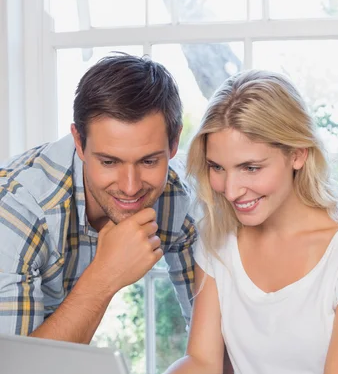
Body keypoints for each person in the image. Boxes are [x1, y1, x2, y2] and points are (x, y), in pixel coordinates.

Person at [138, 69, 338, 374]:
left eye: (251, 168)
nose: (232, 190)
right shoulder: (217, 236)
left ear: (297, 154)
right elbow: (204, 363)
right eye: (218, 168)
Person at [0, 54, 196, 342]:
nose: (130, 188)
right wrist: (104, 275)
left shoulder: (178, 197)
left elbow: (212, 343)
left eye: (149, 161)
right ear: (79, 142)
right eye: (109, 162)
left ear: (174, 143)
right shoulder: (19, 209)